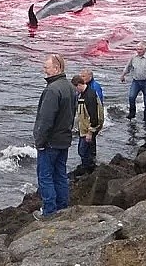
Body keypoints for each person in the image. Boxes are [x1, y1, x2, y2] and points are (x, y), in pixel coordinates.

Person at [33, 54, 75, 220]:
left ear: (56, 69)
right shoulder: (70, 87)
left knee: (45, 176)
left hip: (51, 141)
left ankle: (49, 211)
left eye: (47, 67)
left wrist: (40, 141)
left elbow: (46, 119)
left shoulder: (52, 90)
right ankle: (62, 207)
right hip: (64, 139)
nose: (44, 70)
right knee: (60, 174)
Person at [120, 42, 146, 124]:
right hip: (136, 81)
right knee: (131, 97)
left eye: (140, 49)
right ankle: (132, 114)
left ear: (145, 50)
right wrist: (123, 75)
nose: (138, 51)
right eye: (137, 49)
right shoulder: (133, 57)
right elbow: (128, 67)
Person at [71, 74, 101, 176]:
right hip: (84, 127)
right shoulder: (84, 94)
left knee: (83, 150)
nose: (75, 91)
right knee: (88, 149)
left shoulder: (89, 96)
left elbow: (94, 116)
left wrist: (90, 132)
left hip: (88, 129)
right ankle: (89, 167)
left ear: (79, 85)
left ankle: (86, 170)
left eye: (75, 88)